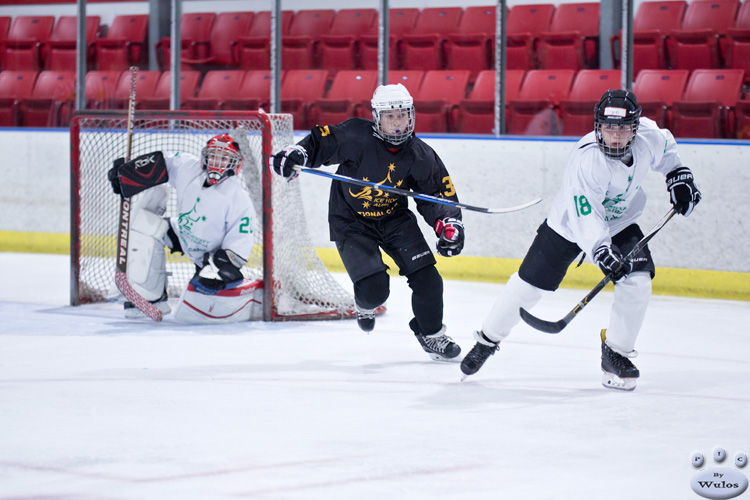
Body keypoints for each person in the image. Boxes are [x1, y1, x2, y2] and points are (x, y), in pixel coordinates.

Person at [460, 89, 702, 390]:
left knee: (637, 282)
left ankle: (616, 352)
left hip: (620, 221)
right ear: (598, 126)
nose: (614, 137)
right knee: (528, 288)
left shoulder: (649, 137)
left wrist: (678, 175)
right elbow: (584, 216)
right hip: (569, 226)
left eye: (622, 129)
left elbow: (668, 151)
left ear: (635, 129)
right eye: (608, 128)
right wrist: (601, 251)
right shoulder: (588, 160)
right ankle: (487, 339)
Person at [270, 83, 465, 362]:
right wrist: (298, 153)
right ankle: (365, 305)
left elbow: (436, 194)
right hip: (350, 220)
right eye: (390, 117)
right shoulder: (356, 135)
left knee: (429, 280)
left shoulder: (420, 154)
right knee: (374, 291)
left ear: (411, 116)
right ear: (377, 118)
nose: (397, 123)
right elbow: (321, 143)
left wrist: (448, 224)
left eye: (402, 116)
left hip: (394, 220)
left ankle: (431, 335)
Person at [108, 133, 261, 322]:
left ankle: (207, 276)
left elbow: (241, 237)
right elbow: (164, 163)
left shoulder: (238, 196)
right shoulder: (189, 167)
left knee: (206, 285)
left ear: (235, 163)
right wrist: (130, 173)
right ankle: (152, 298)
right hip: (183, 233)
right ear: (205, 156)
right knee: (145, 227)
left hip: (212, 255)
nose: (217, 162)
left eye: (224, 158)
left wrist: (223, 265)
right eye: (213, 155)